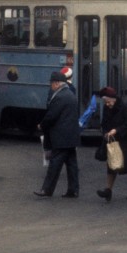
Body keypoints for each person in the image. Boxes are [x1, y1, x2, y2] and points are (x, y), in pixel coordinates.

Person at [34, 70, 81, 198]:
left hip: (61, 137)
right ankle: (73, 190)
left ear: (56, 83)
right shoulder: (70, 95)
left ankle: (46, 190)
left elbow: (51, 116)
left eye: (51, 83)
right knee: (72, 165)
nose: (51, 86)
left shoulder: (59, 97)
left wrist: (42, 125)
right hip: (71, 137)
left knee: (54, 164)